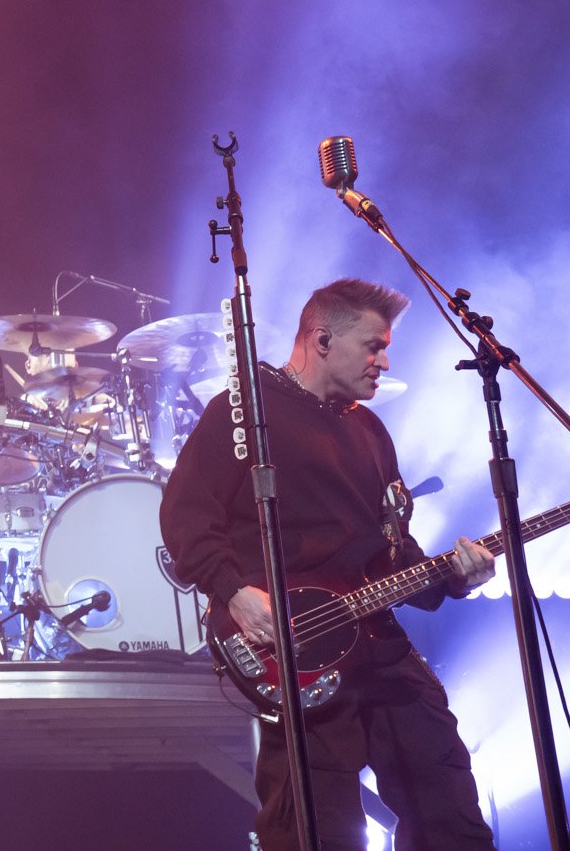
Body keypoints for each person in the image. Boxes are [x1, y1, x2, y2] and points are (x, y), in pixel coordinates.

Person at [159, 278, 498, 851]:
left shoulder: (369, 431)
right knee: (314, 829)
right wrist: (234, 592)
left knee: (449, 807)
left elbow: (394, 553)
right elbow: (184, 517)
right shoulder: (244, 414)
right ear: (321, 340)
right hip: (294, 652)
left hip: (379, 646)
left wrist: (455, 579)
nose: (384, 362)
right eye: (373, 347)